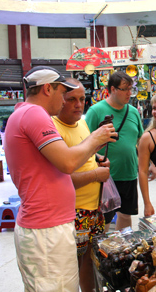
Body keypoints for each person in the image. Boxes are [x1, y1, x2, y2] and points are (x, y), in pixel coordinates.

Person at [4, 66, 117, 292]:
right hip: (47, 230)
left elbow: (52, 162)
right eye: (62, 93)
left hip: (47, 226)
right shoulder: (35, 114)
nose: (65, 101)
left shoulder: (23, 114)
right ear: (47, 89)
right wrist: (96, 138)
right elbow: (67, 163)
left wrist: (92, 154)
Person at [52, 78, 110, 292]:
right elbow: (61, 179)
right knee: (71, 266)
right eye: (72, 99)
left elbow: (85, 157)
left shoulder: (83, 123)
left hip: (94, 209)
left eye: (82, 99)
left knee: (90, 260)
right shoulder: (53, 128)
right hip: (73, 212)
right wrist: (96, 174)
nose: (78, 104)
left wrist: (99, 160)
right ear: (60, 100)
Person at [85, 71, 149, 231]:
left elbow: (141, 140)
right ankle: (103, 252)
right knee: (104, 219)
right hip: (105, 177)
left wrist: (150, 164)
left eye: (131, 89)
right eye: (125, 89)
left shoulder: (133, 112)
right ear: (113, 89)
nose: (129, 93)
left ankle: (124, 249)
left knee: (126, 214)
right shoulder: (96, 111)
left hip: (128, 174)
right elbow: (84, 142)